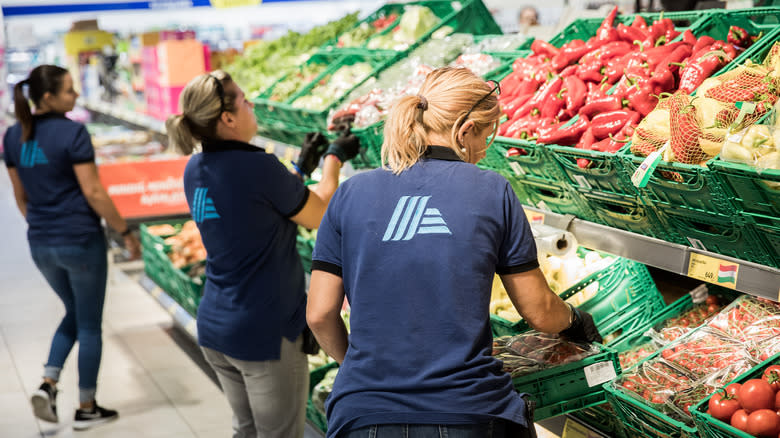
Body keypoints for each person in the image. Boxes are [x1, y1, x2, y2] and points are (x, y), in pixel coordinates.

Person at [306, 67, 602, 438]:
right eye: (485, 136)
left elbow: (318, 314)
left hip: (362, 414)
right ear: (464, 130)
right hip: (468, 412)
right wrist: (576, 321)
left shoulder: (350, 192)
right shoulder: (492, 190)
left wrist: (361, 368)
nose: (481, 151)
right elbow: (539, 310)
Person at [165, 70, 359, 438]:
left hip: (217, 326)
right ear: (227, 118)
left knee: (247, 431)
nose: (252, 105)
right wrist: (334, 157)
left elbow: (254, 209)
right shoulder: (257, 166)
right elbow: (319, 213)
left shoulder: (195, 168)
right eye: (244, 99)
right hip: (263, 333)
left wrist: (301, 168)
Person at [3, 65, 142, 430]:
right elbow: (93, 192)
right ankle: (86, 406)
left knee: (74, 312)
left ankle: (48, 383)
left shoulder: (14, 136)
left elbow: (21, 198)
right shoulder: (73, 133)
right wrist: (125, 230)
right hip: (80, 240)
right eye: (69, 91)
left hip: (41, 243)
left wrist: (44, 227)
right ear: (48, 97)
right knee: (91, 323)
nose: (76, 96)